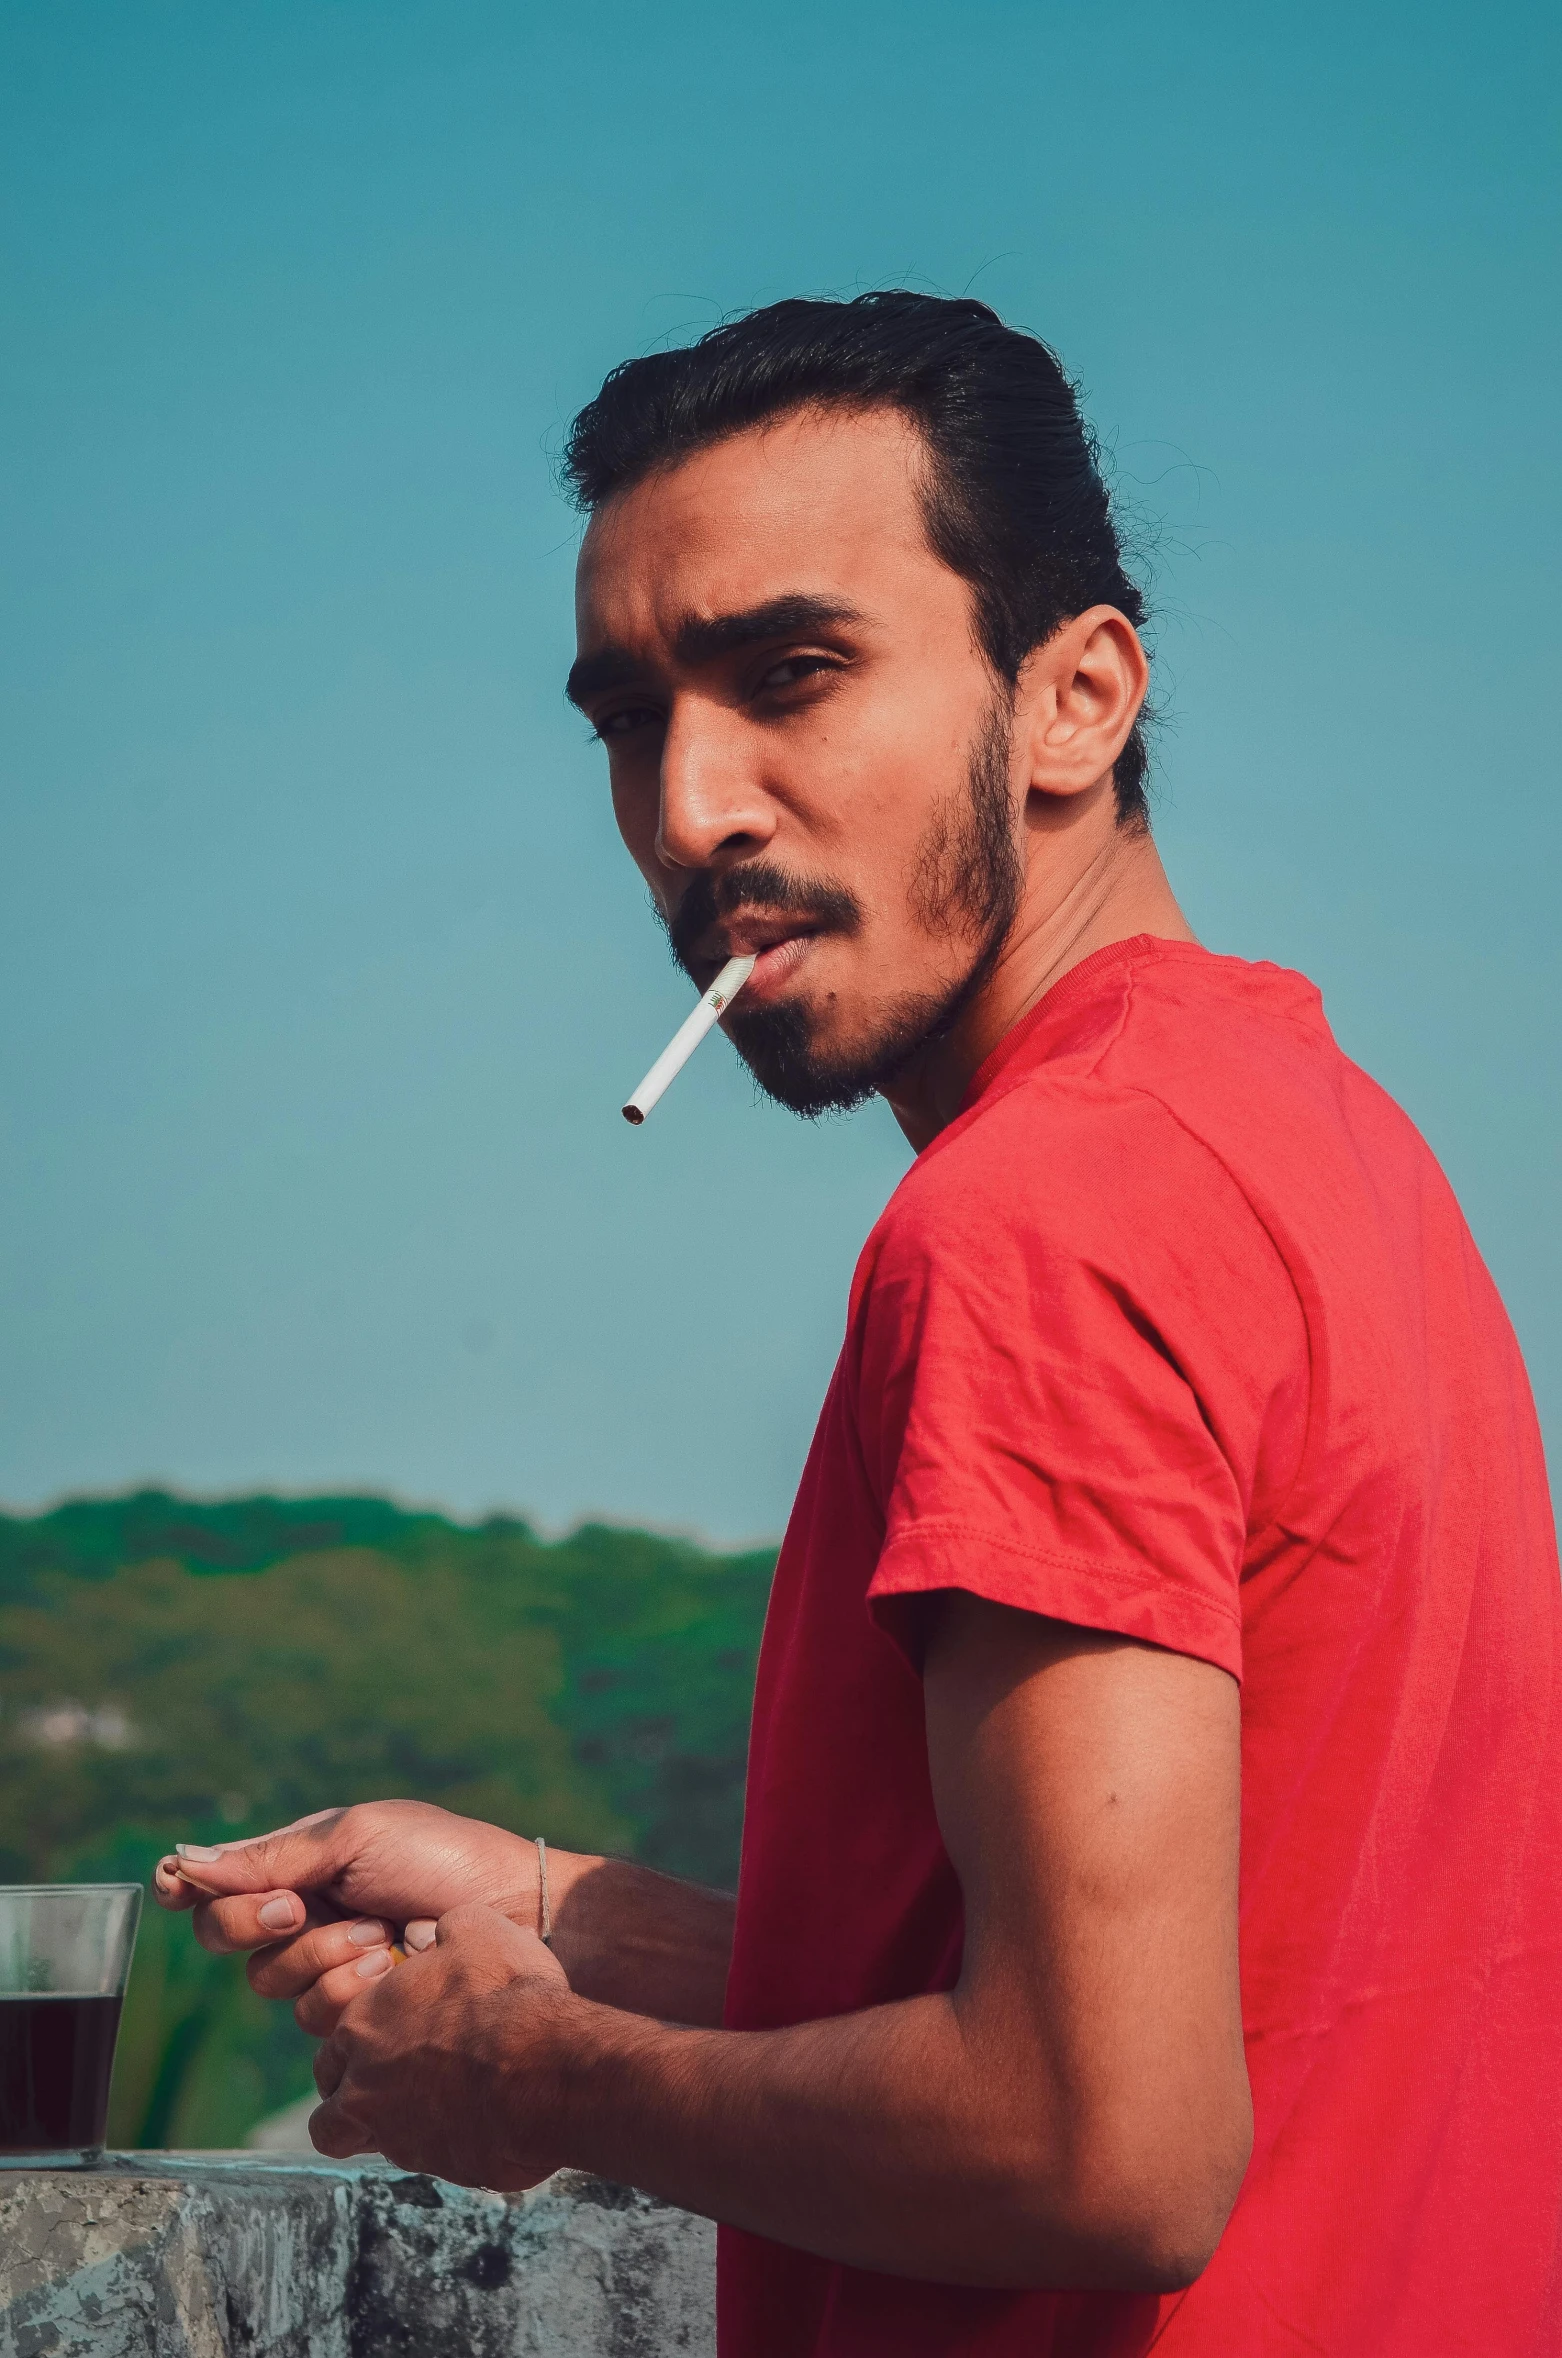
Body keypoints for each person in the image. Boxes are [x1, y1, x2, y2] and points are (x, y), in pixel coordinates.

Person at [157, 293, 1562, 2356]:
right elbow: (1168, 2022)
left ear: (1074, 697)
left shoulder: (1031, 1221)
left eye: (791, 673)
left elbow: (1106, 2148)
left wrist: (527, 2074)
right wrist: (566, 1915)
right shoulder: (1323, 1145)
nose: (689, 805)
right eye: (629, 714)